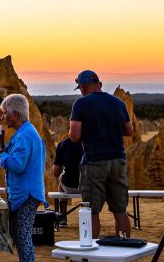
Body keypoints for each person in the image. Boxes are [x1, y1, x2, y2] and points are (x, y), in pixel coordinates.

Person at [69, 70, 133, 238]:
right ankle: (124, 251)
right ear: (100, 84)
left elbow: (74, 136)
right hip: (118, 160)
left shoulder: (81, 104)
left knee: (91, 211)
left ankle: (91, 253)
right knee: (120, 210)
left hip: (94, 161)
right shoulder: (118, 103)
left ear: (83, 87)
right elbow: (129, 131)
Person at [0, 94, 47, 262]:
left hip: (27, 194)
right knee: (19, 235)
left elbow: (18, 165)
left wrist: (0, 153)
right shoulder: (24, 132)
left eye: (5, 113)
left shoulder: (25, 135)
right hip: (23, 193)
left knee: (24, 236)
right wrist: (1, 148)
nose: (3, 117)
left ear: (15, 114)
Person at [52, 137, 84, 226]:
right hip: (91, 187)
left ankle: (62, 217)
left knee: (61, 177)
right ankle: (91, 215)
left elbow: (56, 172)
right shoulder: (92, 141)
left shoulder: (63, 144)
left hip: (70, 187)